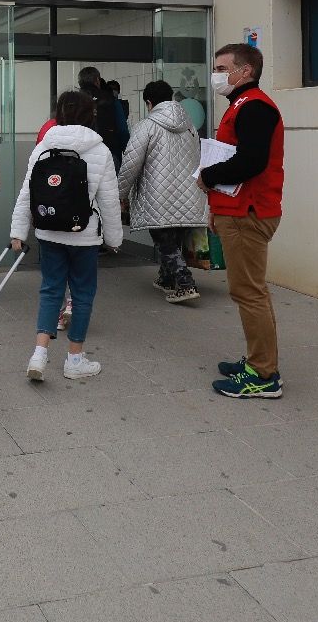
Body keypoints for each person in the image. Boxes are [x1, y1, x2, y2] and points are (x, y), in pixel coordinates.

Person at [9, 90, 123, 381]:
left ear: (58, 114)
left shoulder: (43, 148)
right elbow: (109, 200)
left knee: (50, 290)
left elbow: (27, 194)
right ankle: (74, 359)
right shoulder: (100, 150)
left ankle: (39, 353)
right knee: (82, 295)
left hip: (48, 232)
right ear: (90, 115)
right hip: (84, 236)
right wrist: (114, 239)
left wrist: (18, 231)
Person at [198, 43, 285, 400]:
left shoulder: (255, 108)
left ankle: (264, 374)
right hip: (238, 211)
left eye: (222, 67)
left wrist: (208, 174)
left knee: (249, 292)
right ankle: (256, 361)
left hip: (249, 213)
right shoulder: (241, 106)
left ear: (245, 71)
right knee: (246, 290)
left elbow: (251, 161)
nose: (217, 74)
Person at [117, 81, 205, 302]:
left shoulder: (145, 126)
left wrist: (119, 194)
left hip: (158, 194)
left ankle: (185, 283)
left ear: (149, 102)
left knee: (164, 240)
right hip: (189, 192)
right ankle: (166, 279)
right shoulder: (190, 127)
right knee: (173, 239)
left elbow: (130, 164)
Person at [76, 67, 127, 170]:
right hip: (109, 153)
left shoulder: (72, 101)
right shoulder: (112, 101)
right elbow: (122, 130)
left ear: (79, 82)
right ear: (98, 80)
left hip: (78, 156)